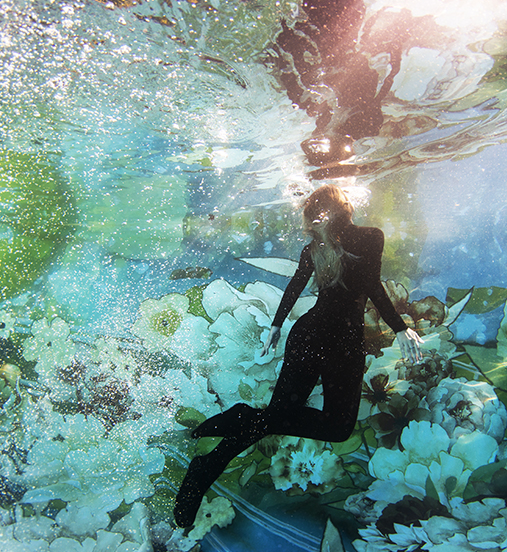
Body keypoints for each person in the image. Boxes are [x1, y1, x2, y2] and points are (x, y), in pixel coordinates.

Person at [174, 184, 423, 529]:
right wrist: (397, 327)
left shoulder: (316, 249)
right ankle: (221, 447)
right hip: (339, 342)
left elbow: (298, 287)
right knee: (334, 427)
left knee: (277, 419)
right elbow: (371, 285)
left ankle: (211, 460)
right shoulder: (368, 238)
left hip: (308, 335)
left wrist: (278, 327)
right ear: (344, 207)